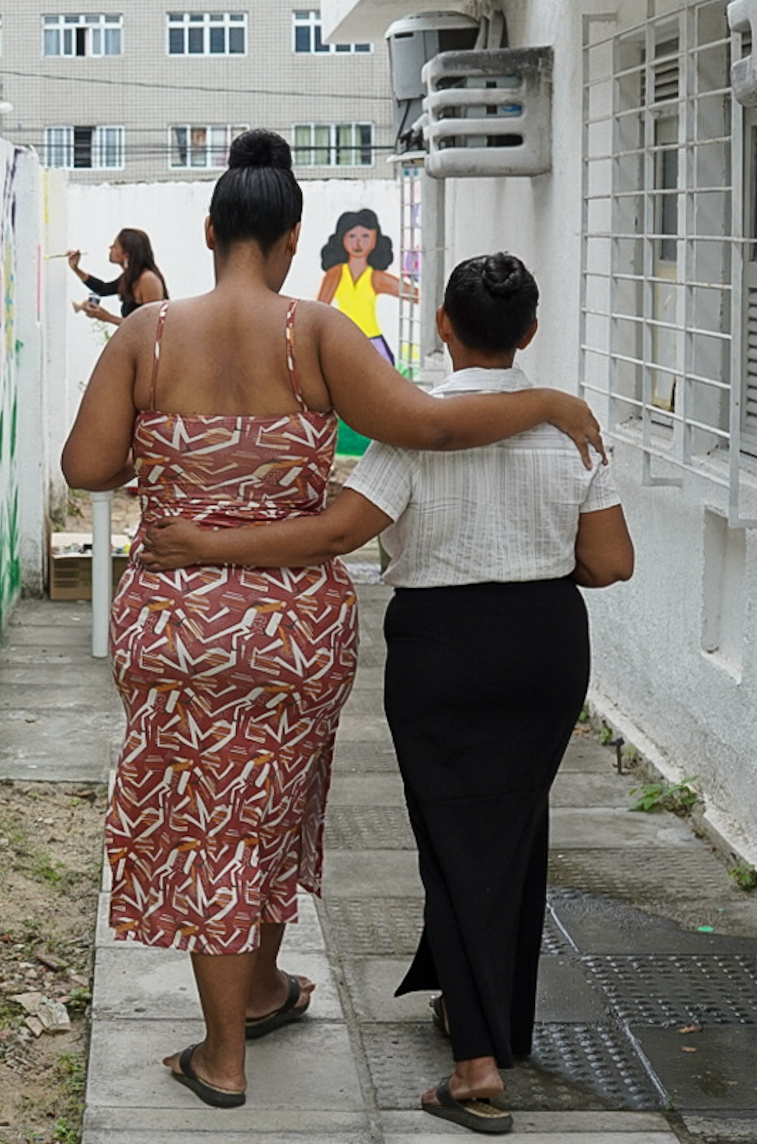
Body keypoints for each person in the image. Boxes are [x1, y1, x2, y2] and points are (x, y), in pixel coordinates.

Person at [58, 131, 604, 1113]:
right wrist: (548, 404)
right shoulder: (312, 331)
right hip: (291, 627)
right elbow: (430, 425)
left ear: (210, 230)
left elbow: (86, 466)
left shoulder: (143, 334)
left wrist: (180, 461)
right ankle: (254, 997)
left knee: (204, 820)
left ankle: (225, 1047)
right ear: (291, 237)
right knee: (268, 802)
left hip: (175, 616)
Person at [316, 209, 415, 365]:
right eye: (352, 236)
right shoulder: (335, 274)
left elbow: (415, 295)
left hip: (373, 343)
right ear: (342, 239)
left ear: (375, 239)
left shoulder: (376, 277)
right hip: (343, 342)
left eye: (365, 236)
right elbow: (319, 309)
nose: (358, 243)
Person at [68, 228, 165, 325]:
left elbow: (152, 325)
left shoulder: (147, 279)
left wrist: (108, 317)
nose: (110, 247)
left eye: (115, 246)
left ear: (126, 254)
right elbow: (103, 289)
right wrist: (76, 268)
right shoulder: (130, 277)